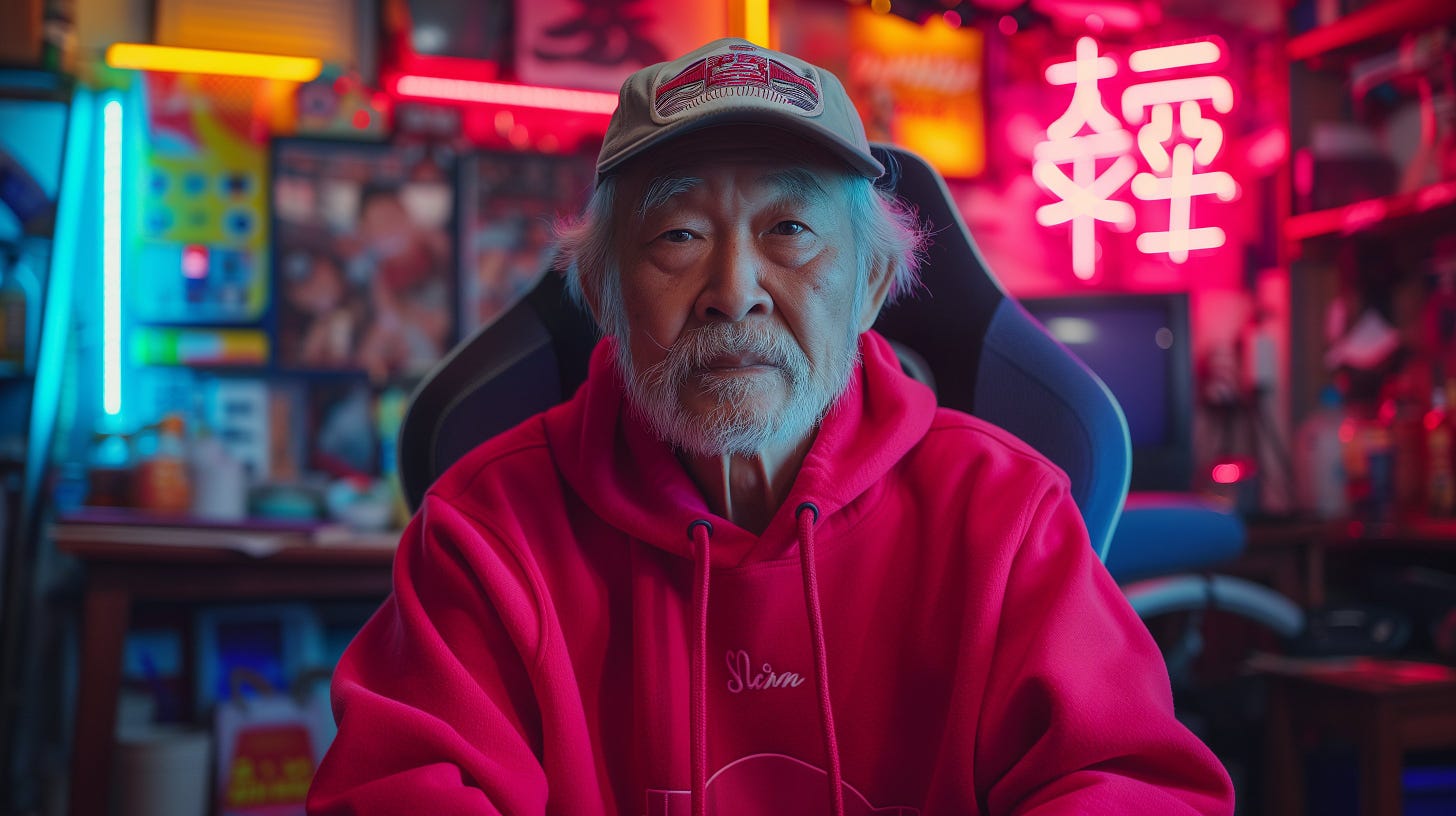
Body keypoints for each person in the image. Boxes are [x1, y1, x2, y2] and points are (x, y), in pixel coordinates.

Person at [308, 38, 1235, 815]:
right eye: (677, 236)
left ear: (872, 286)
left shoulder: (1004, 512)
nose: (733, 292)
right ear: (602, 295)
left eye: (790, 228)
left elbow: (1127, 784)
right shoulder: (487, 529)